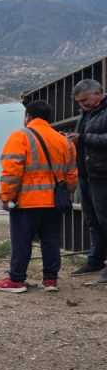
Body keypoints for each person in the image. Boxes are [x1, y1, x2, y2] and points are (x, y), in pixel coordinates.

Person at [0, 101, 78, 293]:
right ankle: (50, 280)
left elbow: (11, 171)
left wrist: (6, 197)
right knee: (51, 241)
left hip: (27, 202)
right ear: (48, 118)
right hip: (55, 202)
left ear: (28, 116)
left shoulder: (20, 136)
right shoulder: (65, 141)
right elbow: (72, 175)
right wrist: (67, 193)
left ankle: (16, 280)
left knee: (22, 242)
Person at [69, 79, 107, 283]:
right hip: (87, 174)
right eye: (79, 103)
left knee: (105, 220)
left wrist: (83, 138)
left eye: (84, 101)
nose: (82, 106)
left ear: (98, 93)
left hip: (103, 175)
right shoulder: (87, 113)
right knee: (92, 220)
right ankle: (95, 260)